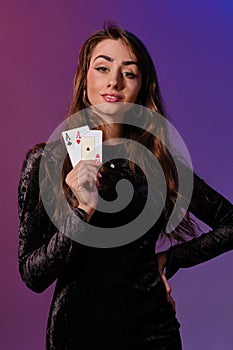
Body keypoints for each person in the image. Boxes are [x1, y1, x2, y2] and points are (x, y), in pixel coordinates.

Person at [18, 23, 233, 350]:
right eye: (102, 68)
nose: (113, 81)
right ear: (84, 78)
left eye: (128, 73)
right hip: (77, 333)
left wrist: (171, 259)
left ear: (142, 86)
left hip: (153, 333)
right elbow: (33, 275)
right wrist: (82, 210)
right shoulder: (48, 161)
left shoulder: (159, 163)